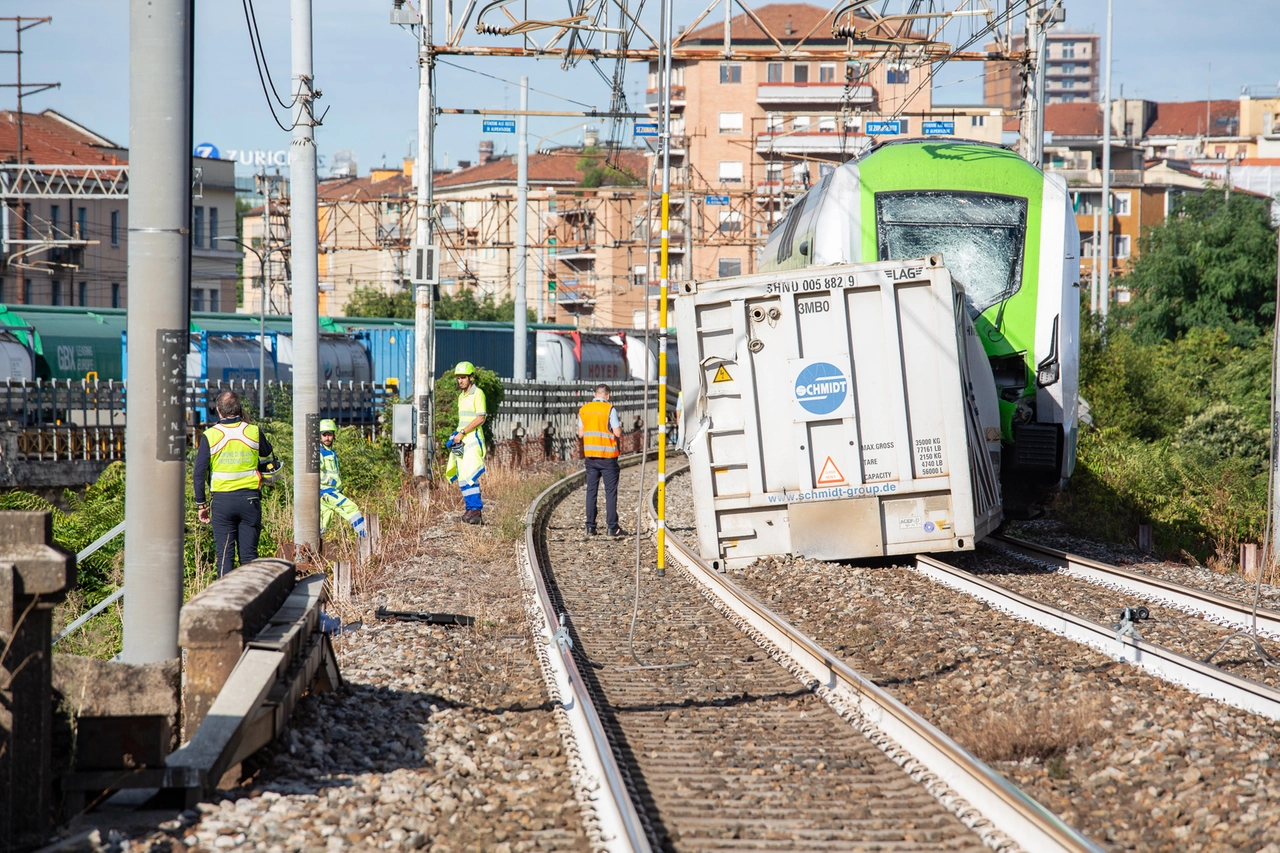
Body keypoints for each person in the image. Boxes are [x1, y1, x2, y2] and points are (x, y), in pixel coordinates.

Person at [195, 390, 272, 576]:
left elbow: (198, 473)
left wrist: (201, 504)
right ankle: (252, 600)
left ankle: (224, 602)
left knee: (224, 557)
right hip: (250, 500)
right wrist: (247, 421)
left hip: (222, 503)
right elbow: (266, 451)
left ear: (218, 411)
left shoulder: (210, 435)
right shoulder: (252, 430)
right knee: (248, 556)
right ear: (240, 409)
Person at [578, 383, 625, 536]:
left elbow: (581, 434)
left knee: (591, 491)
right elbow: (617, 433)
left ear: (595, 394)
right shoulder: (609, 409)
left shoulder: (584, 410)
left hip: (591, 457)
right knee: (610, 492)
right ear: (607, 395)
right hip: (608, 457)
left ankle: (590, 527)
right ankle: (612, 527)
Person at [446, 361, 487, 525]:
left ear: (471, 377)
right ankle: (470, 509)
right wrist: (456, 434)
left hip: (473, 439)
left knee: (470, 474)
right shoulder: (461, 397)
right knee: (463, 476)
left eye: (463, 377)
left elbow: (480, 418)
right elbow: (463, 419)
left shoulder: (478, 394)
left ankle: (476, 510)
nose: (460, 381)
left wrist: (462, 432)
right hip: (461, 439)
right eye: (458, 378)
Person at [319, 419, 367, 538]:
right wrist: (331, 481)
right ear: (319, 436)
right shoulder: (320, 452)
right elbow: (317, 473)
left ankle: (310, 547)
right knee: (352, 508)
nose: (327, 438)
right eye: (324, 435)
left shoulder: (331, 452)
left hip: (330, 492)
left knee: (323, 523)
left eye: (329, 434)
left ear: (334, 435)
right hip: (327, 492)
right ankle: (366, 537)